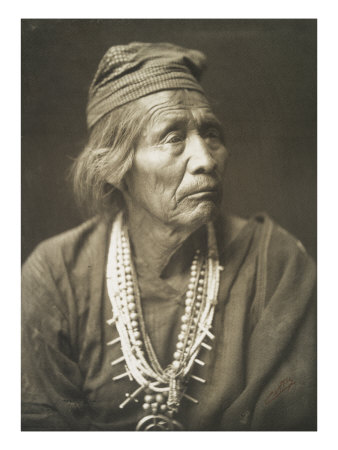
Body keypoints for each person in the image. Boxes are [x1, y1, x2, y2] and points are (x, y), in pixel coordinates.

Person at [21, 42, 316, 431]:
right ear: (114, 165)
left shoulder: (275, 262)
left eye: (211, 134)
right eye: (173, 137)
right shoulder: (55, 275)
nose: (206, 160)